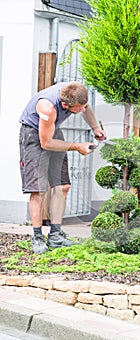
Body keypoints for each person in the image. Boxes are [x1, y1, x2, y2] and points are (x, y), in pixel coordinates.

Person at [19, 81, 106, 254]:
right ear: (66, 105)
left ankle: (56, 236)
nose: (82, 110)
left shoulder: (75, 92)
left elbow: (85, 107)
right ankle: (37, 237)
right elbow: (46, 142)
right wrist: (76, 146)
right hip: (34, 135)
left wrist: (95, 128)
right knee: (38, 189)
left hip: (53, 130)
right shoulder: (47, 108)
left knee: (63, 186)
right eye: (79, 108)